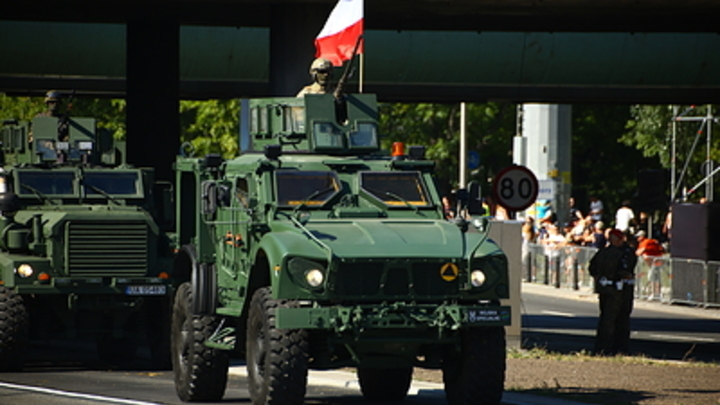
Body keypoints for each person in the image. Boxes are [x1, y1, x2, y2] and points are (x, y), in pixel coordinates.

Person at [588, 229, 637, 355]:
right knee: (617, 319)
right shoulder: (624, 253)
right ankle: (616, 347)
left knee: (609, 319)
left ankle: (604, 347)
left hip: (609, 288)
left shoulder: (605, 252)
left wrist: (600, 278)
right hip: (617, 289)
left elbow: (592, 268)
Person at [635, 230, 665, 299]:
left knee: (652, 278)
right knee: (655, 278)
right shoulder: (647, 242)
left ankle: (655, 294)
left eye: (638, 237)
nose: (637, 239)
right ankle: (655, 293)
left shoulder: (646, 242)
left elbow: (640, 251)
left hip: (656, 263)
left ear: (642, 236)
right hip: (654, 263)